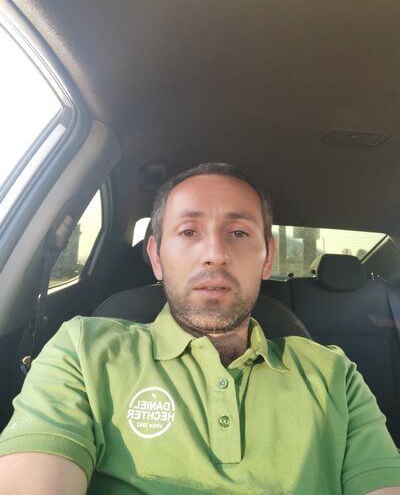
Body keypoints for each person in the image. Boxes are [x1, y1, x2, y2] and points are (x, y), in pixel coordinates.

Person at [0, 162, 399, 495]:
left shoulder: (334, 374)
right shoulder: (82, 352)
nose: (215, 253)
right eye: (189, 231)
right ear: (157, 258)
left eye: (238, 233)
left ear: (267, 258)